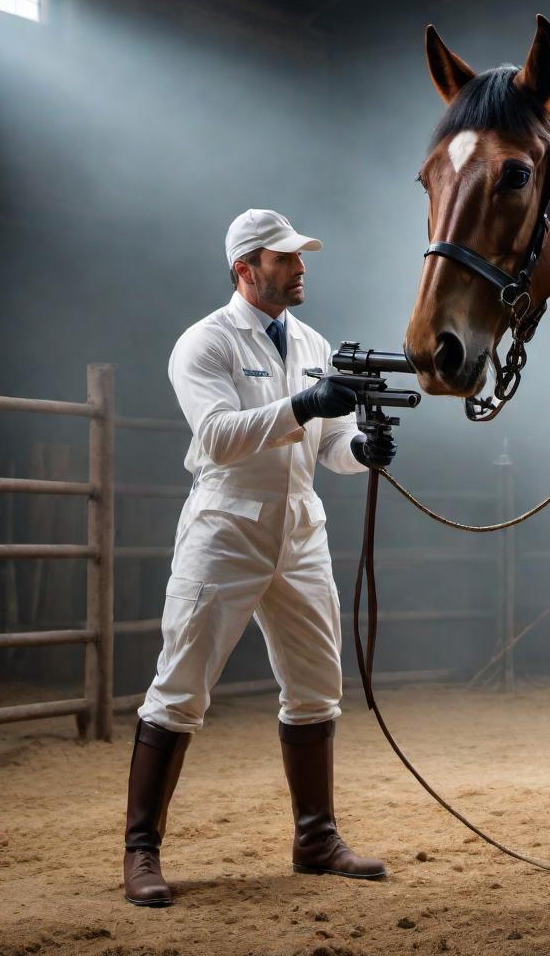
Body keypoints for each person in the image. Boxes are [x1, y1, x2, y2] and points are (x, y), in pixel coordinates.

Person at [122, 208, 396, 906]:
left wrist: (360, 451)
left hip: (300, 530)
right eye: (286, 258)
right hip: (227, 526)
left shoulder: (312, 341)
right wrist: (305, 404)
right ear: (246, 268)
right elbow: (217, 437)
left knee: (314, 688)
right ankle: (140, 853)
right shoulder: (204, 344)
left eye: (301, 257)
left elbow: (327, 444)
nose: (302, 267)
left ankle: (315, 837)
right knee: (180, 688)